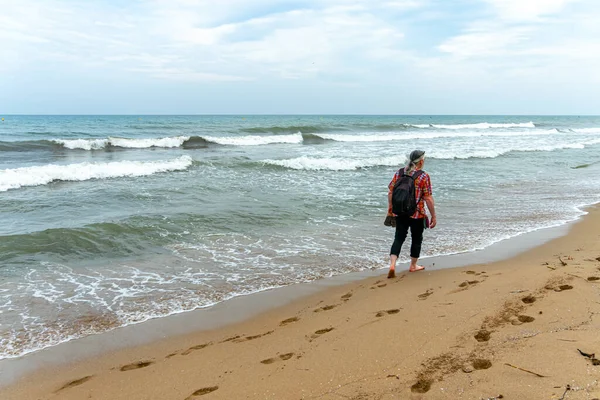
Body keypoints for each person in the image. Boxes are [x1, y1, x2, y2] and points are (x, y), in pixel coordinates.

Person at [387, 150, 436, 278]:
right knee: (416, 239)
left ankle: (392, 264)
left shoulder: (400, 172)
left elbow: (391, 192)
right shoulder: (423, 176)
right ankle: (413, 266)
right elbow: (428, 198)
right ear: (421, 161)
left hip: (400, 212)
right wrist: (433, 216)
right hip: (417, 213)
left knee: (398, 238)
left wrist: (390, 208)